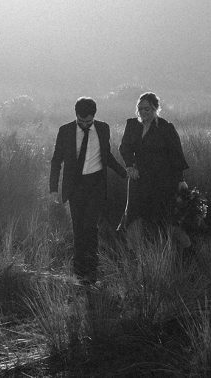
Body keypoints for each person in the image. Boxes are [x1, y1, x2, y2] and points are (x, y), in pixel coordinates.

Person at [50, 96, 127, 284]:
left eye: (88, 121)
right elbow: (56, 160)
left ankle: (92, 271)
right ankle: (79, 271)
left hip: (95, 185)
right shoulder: (65, 131)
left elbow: (106, 155)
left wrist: (123, 173)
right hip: (74, 186)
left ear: (94, 116)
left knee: (90, 227)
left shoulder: (103, 128)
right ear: (76, 115)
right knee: (78, 228)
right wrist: (53, 188)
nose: (84, 124)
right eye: (81, 121)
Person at [118, 92, 189, 239]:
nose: (143, 112)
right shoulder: (132, 125)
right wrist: (130, 166)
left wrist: (180, 180)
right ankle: (134, 253)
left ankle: (176, 251)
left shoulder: (166, 128)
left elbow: (176, 154)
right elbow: (125, 148)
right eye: (140, 108)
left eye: (147, 109)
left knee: (163, 218)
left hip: (161, 180)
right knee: (132, 216)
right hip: (138, 178)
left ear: (156, 109)